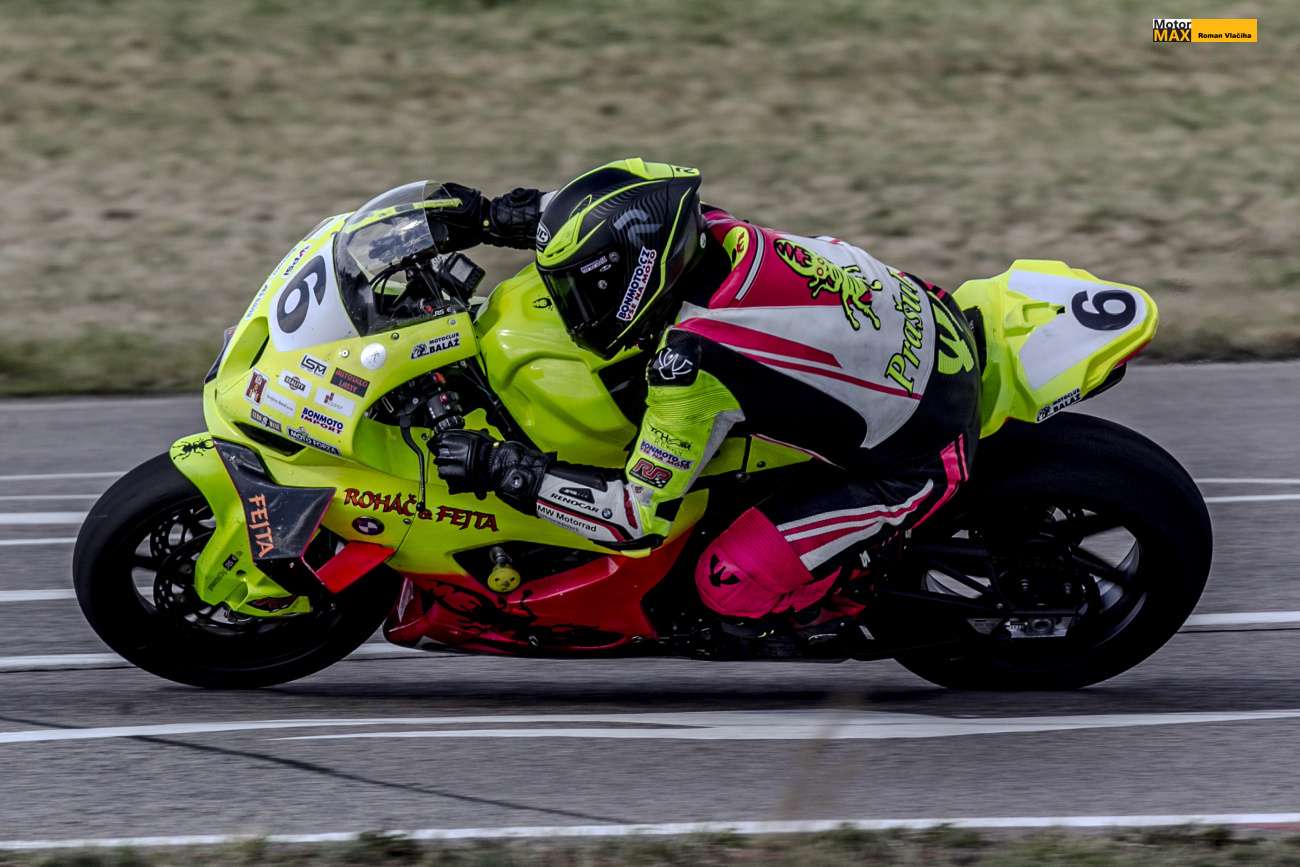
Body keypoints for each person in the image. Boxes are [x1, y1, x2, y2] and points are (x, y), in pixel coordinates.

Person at [430, 158, 981, 624]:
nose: (575, 304)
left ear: (638, 278)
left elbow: (634, 519)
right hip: (929, 317)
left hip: (920, 454)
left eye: (585, 288)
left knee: (725, 585)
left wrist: (505, 469)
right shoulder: (701, 228)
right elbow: (612, 212)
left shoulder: (692, 364)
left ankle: (853, 591)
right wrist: (493, 216)